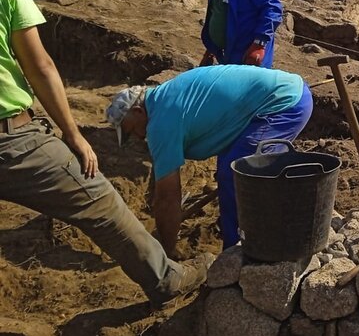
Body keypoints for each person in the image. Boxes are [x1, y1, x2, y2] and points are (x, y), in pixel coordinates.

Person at [0, 0, 210, 307]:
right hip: (13, 140)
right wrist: (73, 134)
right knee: (100, 202)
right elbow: (41, 67)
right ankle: (165, 278)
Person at [106, 65, 313, 253]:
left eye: (132, 130)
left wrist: (166, 253)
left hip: (284, 105)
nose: (139, 137)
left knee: (236, 176)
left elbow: (168, 198)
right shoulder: (162, 98)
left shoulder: (161, 124)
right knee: (229, 168)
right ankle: (237, 233)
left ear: (138, 111)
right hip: (277, 95)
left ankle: (243, 251)